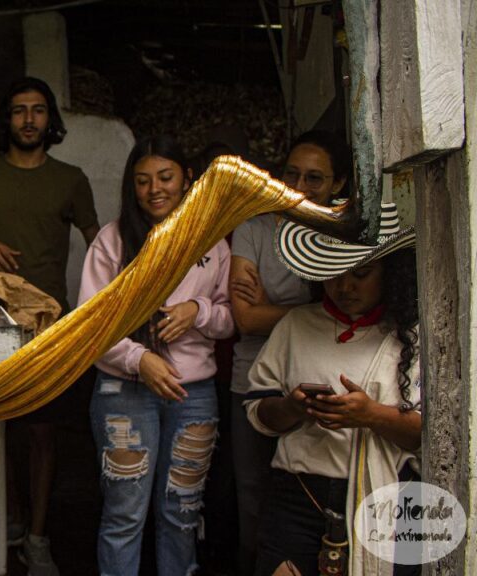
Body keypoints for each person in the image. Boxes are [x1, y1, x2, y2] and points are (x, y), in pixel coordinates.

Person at [0, 77, 99, 574]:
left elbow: (100, 243)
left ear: (49, 120)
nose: (29, 119)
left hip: (48, 323)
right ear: (6, 120)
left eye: (38, 110)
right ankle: (8, 517)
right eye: (19, 111)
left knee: (41, 432)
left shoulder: (71, 179)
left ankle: (37, 537)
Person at [78, 135, 234, 576]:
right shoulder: (113, 241)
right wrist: (138, 359)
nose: (154, 190)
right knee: (124, 516)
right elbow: (90, 326)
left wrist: (196, 311)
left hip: (194, 393)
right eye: (142, 181)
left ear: (187, 179)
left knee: (182, 513)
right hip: (123, 390)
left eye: (165, 177)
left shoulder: (211, 242)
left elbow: (230, 321)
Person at [245, 203, 420, 576]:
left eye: (362, 273)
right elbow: (257, 410)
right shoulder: (296, 325)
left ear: (390, 272)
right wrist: (293, 409)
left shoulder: (410, 337)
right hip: (298, 498)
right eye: (334, 273)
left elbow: (430, 435)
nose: (345, 287)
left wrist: (370, 415)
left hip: (386, 502)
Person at [227, 130, 350, 575]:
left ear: (338, 184)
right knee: (252, 497)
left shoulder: (345, 234)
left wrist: (275, 309)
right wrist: (312, 311)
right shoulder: (255, 228)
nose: (299, 186)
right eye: (291, 174)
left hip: (330, 388)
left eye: (314, 178)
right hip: (254, 381)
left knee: (317, 502)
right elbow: (245, 319)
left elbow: (347, 310)